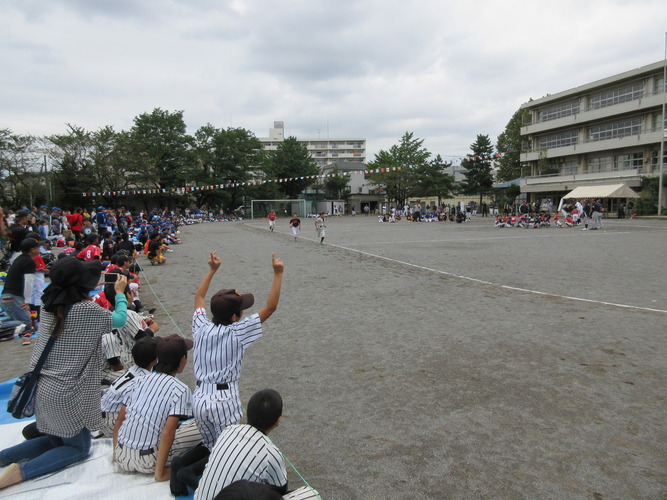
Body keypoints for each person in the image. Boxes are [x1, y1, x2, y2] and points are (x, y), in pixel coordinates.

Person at [0, 257, 127, 491]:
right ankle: (18, 473)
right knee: (78, 447)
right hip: (66, 393)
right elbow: (119, 319)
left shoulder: (48, 302)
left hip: (41, 386)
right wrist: (119, 292)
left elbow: (71, 292)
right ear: (81, 285)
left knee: (53, 439)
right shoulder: (86, 310)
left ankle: (3, 457)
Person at [170, 251, 284, 496]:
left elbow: (199, 296)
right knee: (227, 449)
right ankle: (190, 473)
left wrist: (212, 269)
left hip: (200, 397)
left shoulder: (201, 325)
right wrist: (278, 274)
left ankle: (182, 466)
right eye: (241, 310)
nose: (243, 312)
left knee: (213, 444)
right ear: (235, 317)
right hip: (223, 400)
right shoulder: (237, 331)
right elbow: (271, 307)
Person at [195, 389, 318, 500]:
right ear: (278, 421)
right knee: (310, 493)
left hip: (199, 497)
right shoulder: (270, 452)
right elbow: (281, 490)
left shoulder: (229, 430)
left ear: (248, 412)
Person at [113, 334, 202, 482]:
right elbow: (168, 433)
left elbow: (120, 420)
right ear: (183, 360)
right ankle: (161, 470)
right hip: (148, 460)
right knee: (203, 426)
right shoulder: (180, 389)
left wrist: (116, 454)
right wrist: (159, 474)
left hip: (122, 456)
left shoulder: (139, 380)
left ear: (158, 359)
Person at [99, 336, 160, 437]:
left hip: (101, 414)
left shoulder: (132, 370)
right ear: (155, 360)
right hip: (111, 424)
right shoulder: (145, 380)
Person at [1, 238, 40, 338]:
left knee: (17, 320)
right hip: (14, 297)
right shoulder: (29, 262)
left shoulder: (18, 259)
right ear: (32, 250)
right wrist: (27, 301)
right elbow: (29, 282)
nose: (40, 249)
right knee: (26, 324)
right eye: (38, 247)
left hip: (6, 297)